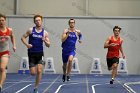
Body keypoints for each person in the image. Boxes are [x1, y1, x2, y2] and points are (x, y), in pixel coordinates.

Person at [21, 14, 50, 93]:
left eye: (39, 20)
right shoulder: (30, 30)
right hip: (31, 54)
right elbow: (22, 37)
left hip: (40, 53)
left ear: (41, 21)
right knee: (33, 73)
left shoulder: (45, 33)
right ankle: (35, 80)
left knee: (40, 70)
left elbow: (48, 45)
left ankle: (36, 87)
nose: (38, 21)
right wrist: (27, 44)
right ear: (34, 22)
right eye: (36, 20)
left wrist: (45, 41)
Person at [0, 13, 16, 92]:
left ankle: (0, 85)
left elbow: (12, 37)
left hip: (5, 52)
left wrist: (14, 45)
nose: (1, 22)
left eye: (2, 20)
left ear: (5, 21)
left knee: (2, 68)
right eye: (0, 20)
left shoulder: (9, 30)